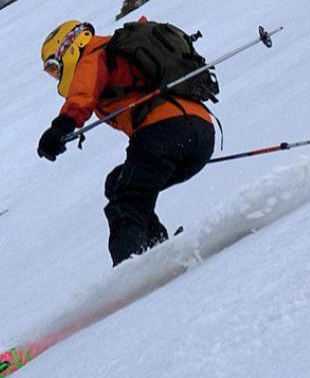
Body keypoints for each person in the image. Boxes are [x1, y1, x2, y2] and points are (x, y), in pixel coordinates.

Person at [35, 20, 216, 265]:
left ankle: (132, 265)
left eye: (54, 68)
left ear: (69, 46)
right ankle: (156, 250)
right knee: (120, 184)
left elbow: (81, 96)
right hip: (200, 133)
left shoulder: (94, 54)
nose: (56, 77)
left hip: (164, 130)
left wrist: (59, 128)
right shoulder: (119, 53)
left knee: (127, 200)